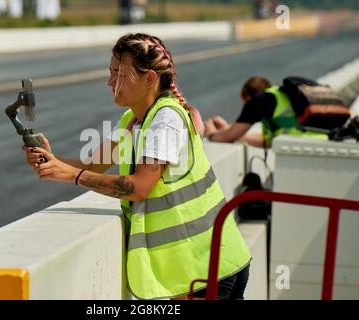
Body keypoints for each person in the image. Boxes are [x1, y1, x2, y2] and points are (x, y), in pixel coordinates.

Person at [23, 33, 251, 300]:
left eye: (119, 74)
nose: (110, 82)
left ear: (149, 79)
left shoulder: (166, 119)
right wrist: (52, 160)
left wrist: (73, 175)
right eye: (110, 73)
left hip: (205, 269)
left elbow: (139, 187)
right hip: (207, 264)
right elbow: (92, 165)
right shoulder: (132, 121)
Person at [204, 76, 327, 148]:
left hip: (302, 148)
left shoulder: (258, 101)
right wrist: (228, 129)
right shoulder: (279, 97)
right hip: (321, 142)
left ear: (247, 97)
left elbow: (228, 137)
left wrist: (211, 133)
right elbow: (267, 142)